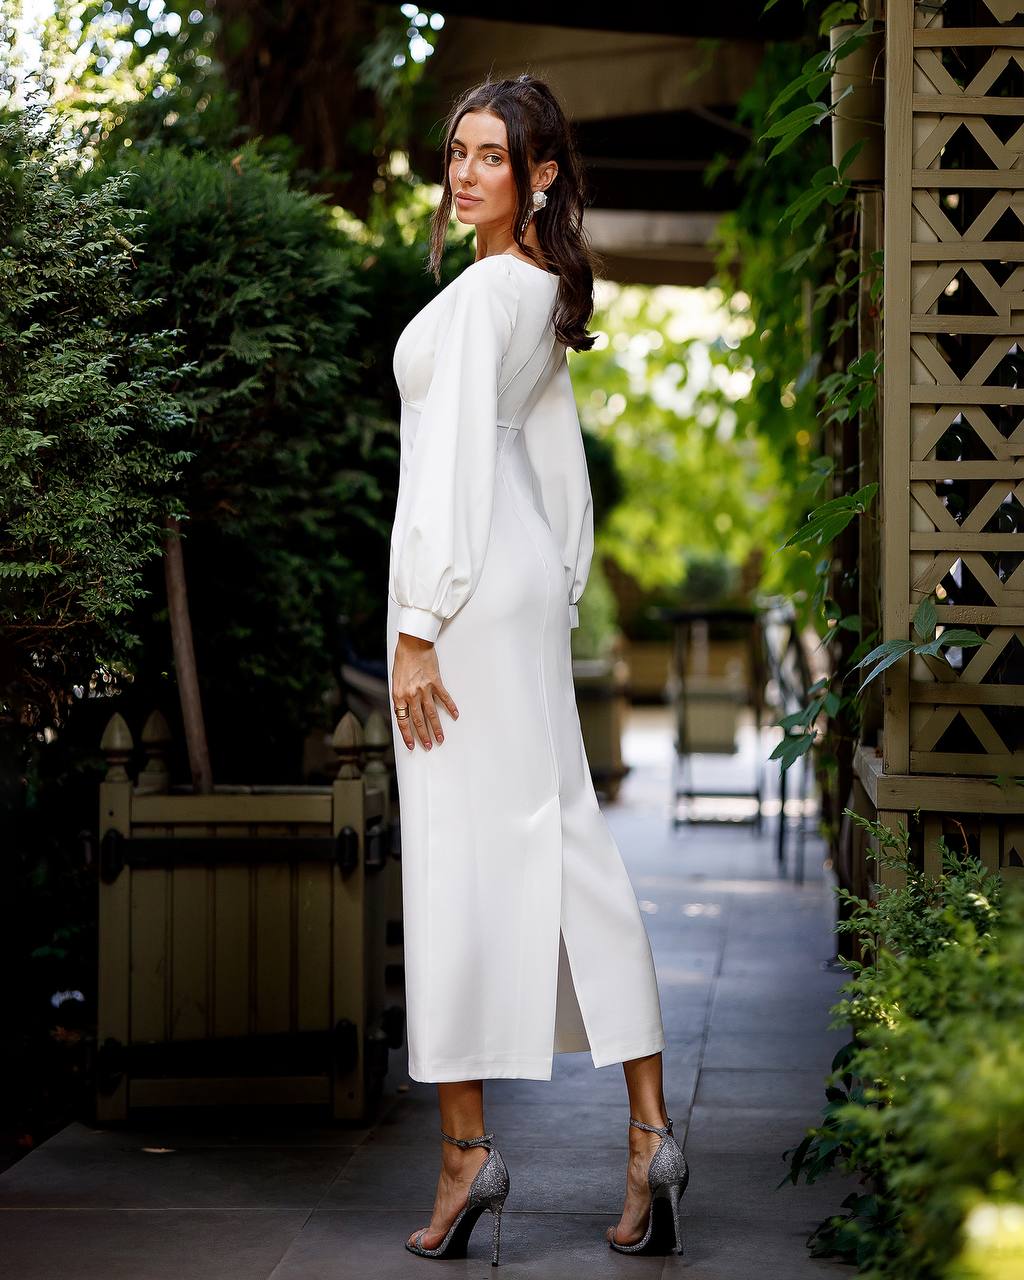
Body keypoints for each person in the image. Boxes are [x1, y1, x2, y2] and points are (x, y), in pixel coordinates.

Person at [386, 74, 689, 1265]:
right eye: (455, 152)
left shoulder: (476, 302)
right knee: (566, 839)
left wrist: (418, 621)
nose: (464, 174)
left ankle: (467, 1152)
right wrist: (556, 586)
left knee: (461, 861)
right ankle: (649, 1133)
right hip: (518, 595)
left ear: (540, 175)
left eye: (491, 156)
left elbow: (451, 471)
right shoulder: (547, 291)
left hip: (461, 598)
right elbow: (556, 467)